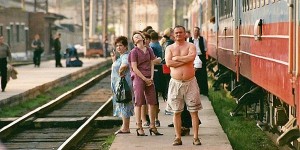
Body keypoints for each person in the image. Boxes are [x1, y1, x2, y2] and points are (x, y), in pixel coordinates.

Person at [165, 25, 202, 146]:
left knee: (194, 111)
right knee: (176, 112)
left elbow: (191, 58)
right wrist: (184, 60)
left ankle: (196, 137)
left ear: (185, 33)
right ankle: (178, 137)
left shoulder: (191, 46)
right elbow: (168, 62)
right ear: (173, 35)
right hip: (175, 83)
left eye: (180, 32)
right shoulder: (169, 48)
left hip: (190, 82)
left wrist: (177, 58)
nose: (178, 35)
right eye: (176, 33)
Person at [128, 31, 163, 136]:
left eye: (138, 35)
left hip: (149, 77)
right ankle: (139, 126)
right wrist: (144, 79)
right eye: (134, 37)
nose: (137, 37)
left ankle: (153, 126)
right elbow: (134, 68)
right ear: (134, 41)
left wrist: (151, 77)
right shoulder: (134, 52)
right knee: (139, 102)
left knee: (152, 102)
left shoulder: (149, 49)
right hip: (139, 77)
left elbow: (152, 63)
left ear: (142, 38)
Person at [111, 36, 134, 135]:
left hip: (124, 84)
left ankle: (125, 128)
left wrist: (121, 72)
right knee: (123, 103)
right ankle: (125, 126)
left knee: (124, 103)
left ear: (125, 47)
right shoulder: (121, 56)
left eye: (121, 45)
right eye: (117, 46)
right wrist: (114, 60)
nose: (118, 47)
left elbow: (125, 65)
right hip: (120, 85)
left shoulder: (125, 56)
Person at [189, 27, 209, 96]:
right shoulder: (189, 40)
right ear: (193, 32)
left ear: (199, 32)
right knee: (194, 74)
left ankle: (204, 91)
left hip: (201, 56)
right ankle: (195, 90)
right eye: (195, 31)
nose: (196, 32)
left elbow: (205, 49)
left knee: (203, 74)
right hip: (193, 57)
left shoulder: (203, 39)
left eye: (197, 31)